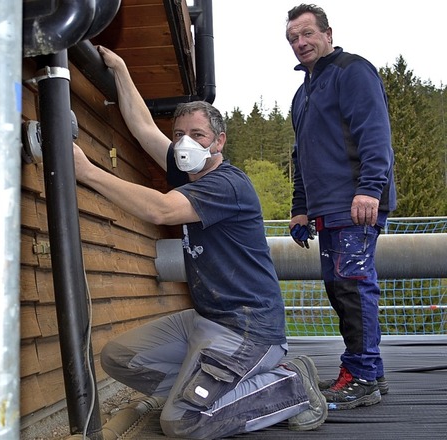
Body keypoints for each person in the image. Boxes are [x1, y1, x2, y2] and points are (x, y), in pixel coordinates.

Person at [71, 45, 327, 439]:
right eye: (179, 135)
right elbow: (142, 130)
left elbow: (160, 211)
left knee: (181, 423)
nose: (184, 143)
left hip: (248, 330)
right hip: (206, 320)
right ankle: (199, 393)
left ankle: (291, 383)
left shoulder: (227, 184)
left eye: (197, 135)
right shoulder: (188, 172)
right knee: (119, 358)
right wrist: (121, 69)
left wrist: (87, 172)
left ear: (218, 142)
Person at [285, 4, 397, 410]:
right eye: (293, 38)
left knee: (352, 286)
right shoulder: (302, 94)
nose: (300, 43)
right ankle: (370, 370)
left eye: (307, 34)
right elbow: (301, 156)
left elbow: (375, 133)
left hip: (357, 203)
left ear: (328, 33)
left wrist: (370, 188)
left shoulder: (352, 71)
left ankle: (363, 376)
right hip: (326, 208)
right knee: (338, 288)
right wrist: (300, 208)